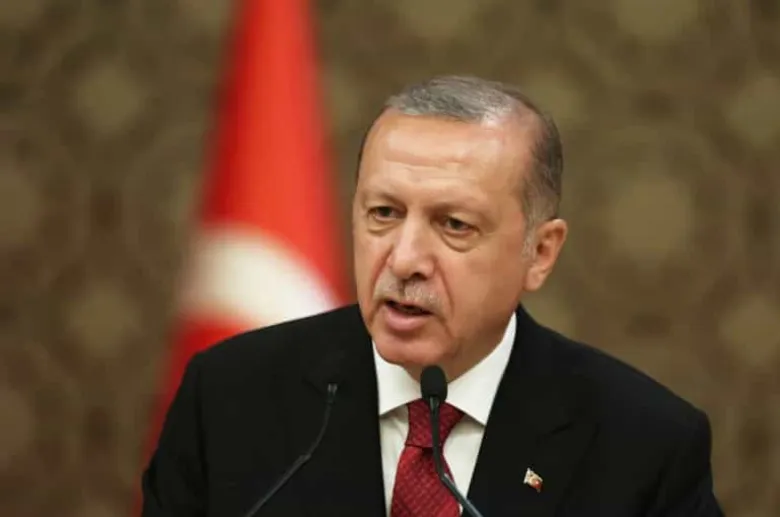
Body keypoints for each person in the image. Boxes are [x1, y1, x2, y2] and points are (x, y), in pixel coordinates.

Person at [141, 75, 725, 516]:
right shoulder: (228, 401)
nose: (404, 259)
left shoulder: (643, 447)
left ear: (540, 252)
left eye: (454, 225)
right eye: (383, 213)